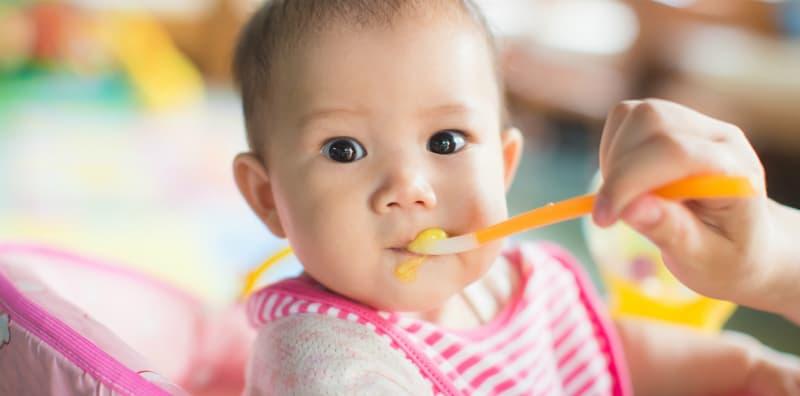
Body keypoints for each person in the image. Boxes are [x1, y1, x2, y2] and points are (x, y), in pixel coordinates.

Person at [231, 1, 800, 394]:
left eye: (446, 141)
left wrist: (750, 370)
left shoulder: (526, 284)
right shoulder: (322, 357)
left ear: (504, 167)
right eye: (343, 150)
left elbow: (608, 354)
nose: (408, 188)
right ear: (267, 197)